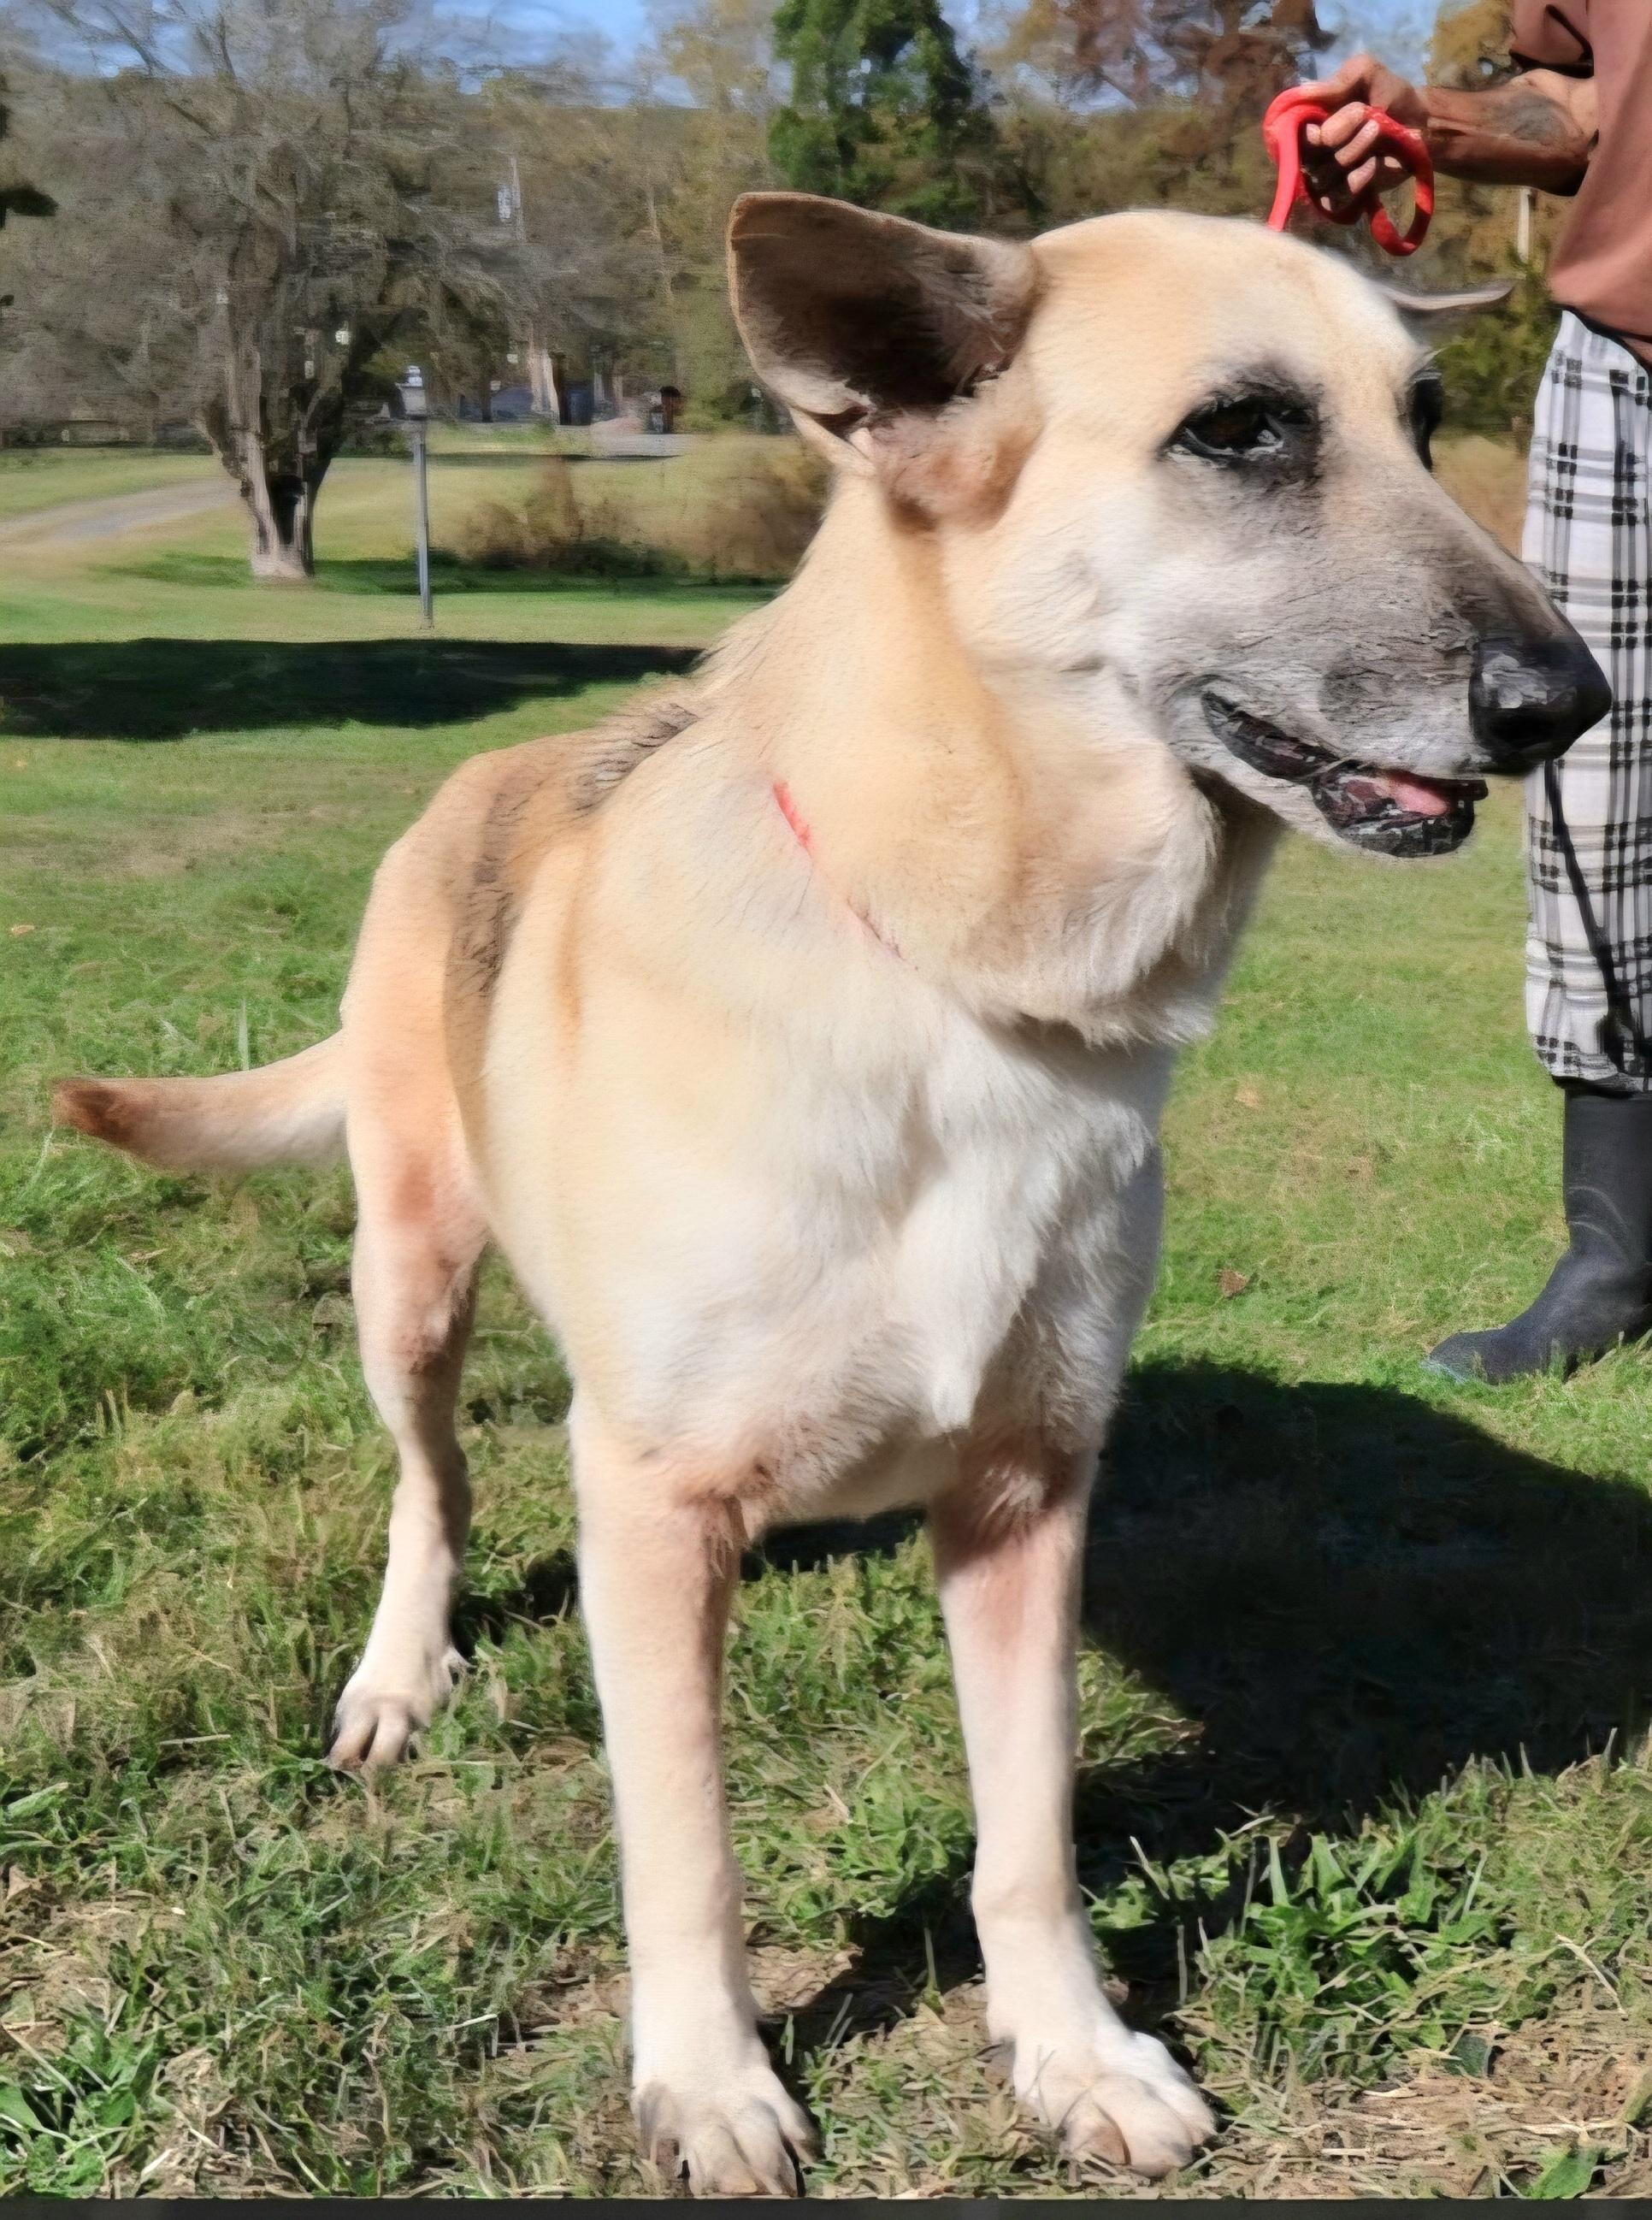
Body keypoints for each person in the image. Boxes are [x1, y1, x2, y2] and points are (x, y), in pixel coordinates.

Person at [1299, 9, 1652, 1382]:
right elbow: (1585, 105)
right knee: (1598, 816)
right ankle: (1616, 1255)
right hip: (1628, 375)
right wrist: (1424, 123)